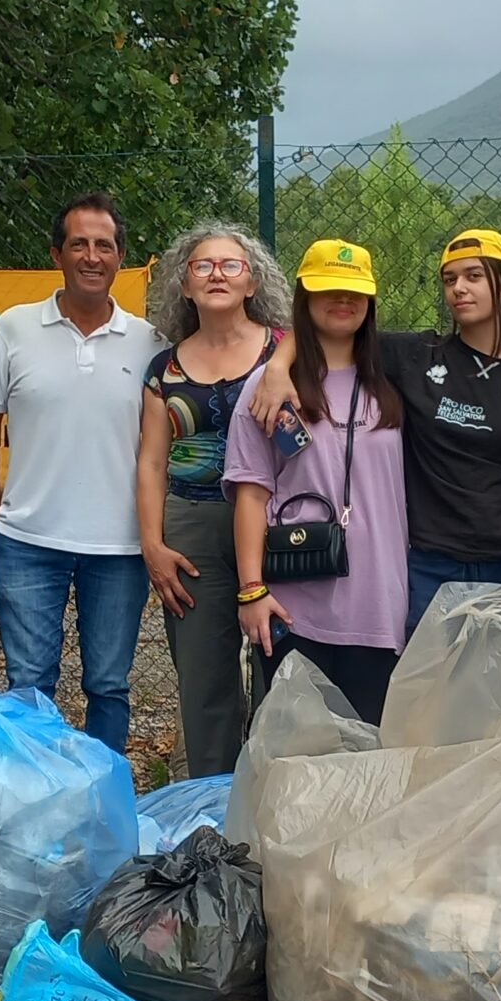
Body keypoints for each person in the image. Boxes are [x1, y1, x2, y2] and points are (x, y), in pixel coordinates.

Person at [253, 227, 501, 633]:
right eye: (449, 280)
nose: (458, 289)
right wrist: (277, 367)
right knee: (444, 697)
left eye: (473, 276)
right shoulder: (417, 356)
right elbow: (327, 328)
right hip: (439, 568)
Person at [0, 192, 162, 756]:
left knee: (108, 686)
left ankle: (102, 812)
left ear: (120, 257)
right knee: (29, 688)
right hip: (28, 542)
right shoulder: (14, 328)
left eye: (105, 245)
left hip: (121, 548)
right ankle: (32, 805)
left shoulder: (151, 343)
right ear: (57, 253)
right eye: (79, 243)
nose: (92, 255)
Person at [224, 239, 410, 726]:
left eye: (354, 291)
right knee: (295, 756)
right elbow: (250, 490)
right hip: (293, 609)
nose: (342, 300)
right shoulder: (269, 388)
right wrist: (251, 592)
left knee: (368, 758)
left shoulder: (397, 377)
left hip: (379, 605)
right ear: (304, 297)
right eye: (327, 289)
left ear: (370, 303)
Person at [136, 223, 288, 777]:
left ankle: (274, 802)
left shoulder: (286, 348)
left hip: (276, 518)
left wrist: (284, 364)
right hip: (191, 526)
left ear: (253, 283)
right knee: (204, 684)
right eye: (203, 265)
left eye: (231, 265)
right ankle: (210, 816)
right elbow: (151, 461)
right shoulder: (164, 370)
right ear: (184, 284)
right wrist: (152, 546)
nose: (217, 274)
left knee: (284, 667)